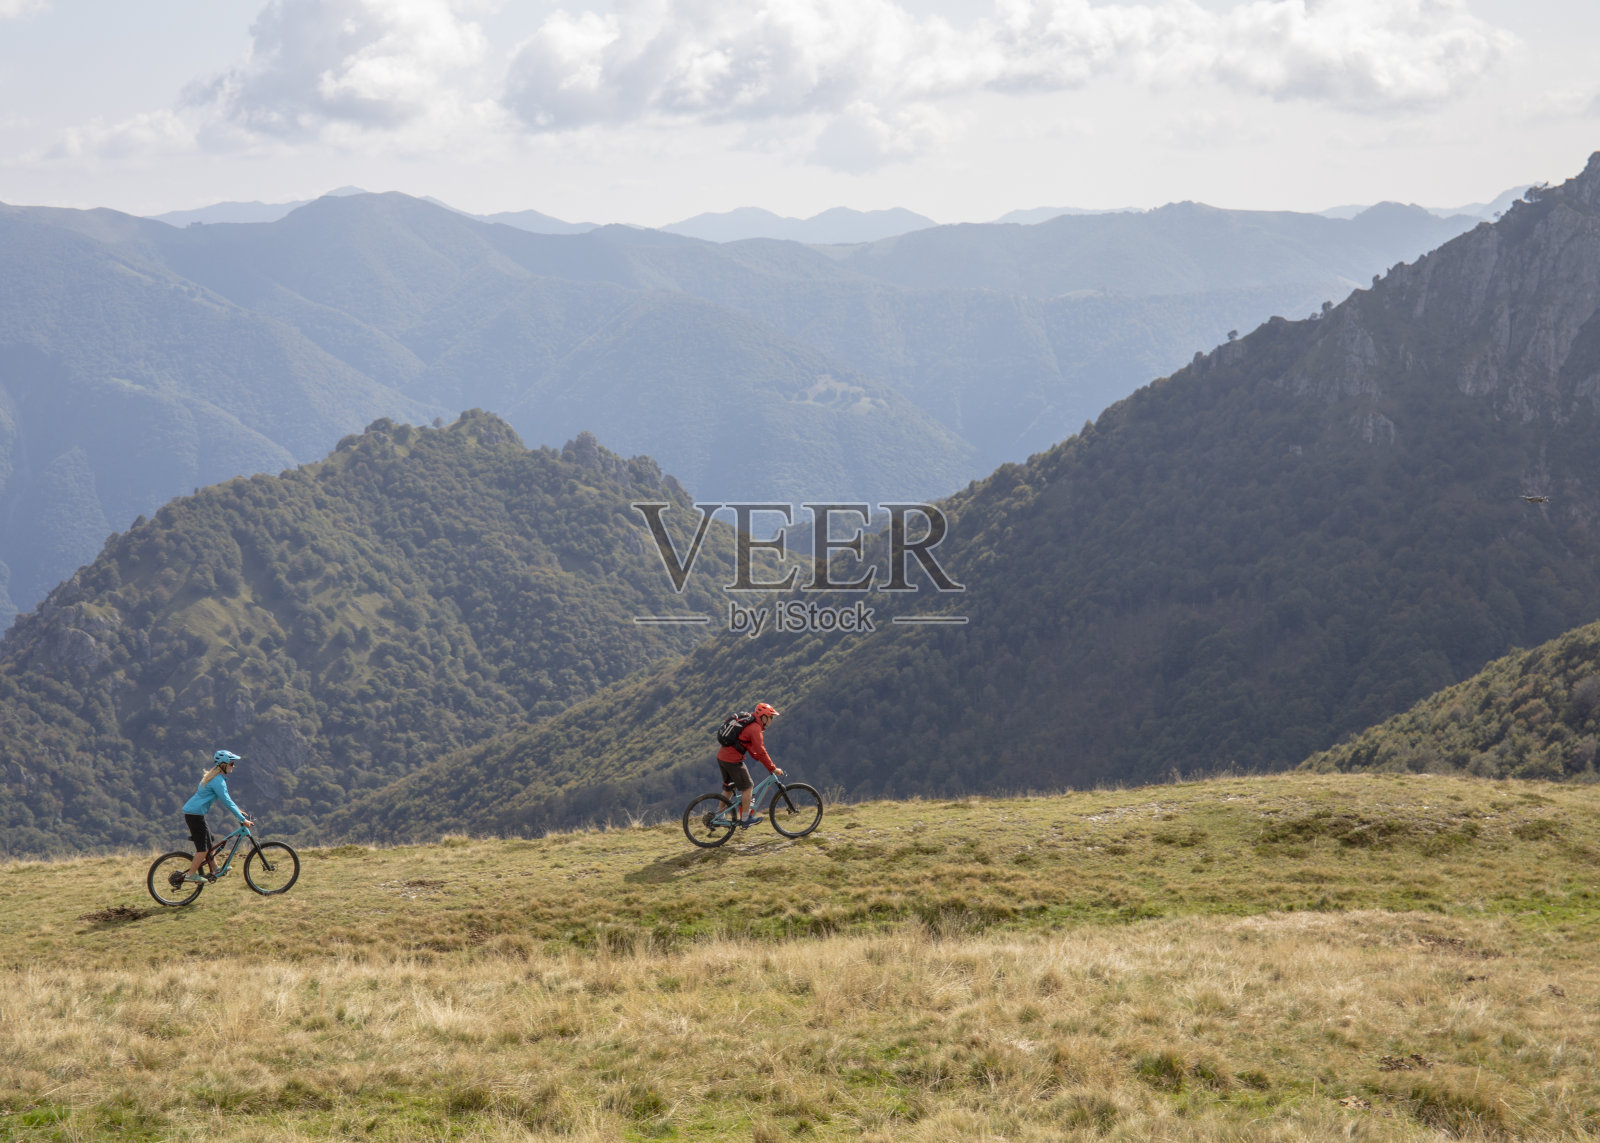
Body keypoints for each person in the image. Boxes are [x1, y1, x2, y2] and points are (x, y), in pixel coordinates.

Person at [181, 750, 253, 883]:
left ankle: (215, 869)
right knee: (202, 849)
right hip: (194, 815)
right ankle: (190, 875)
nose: (234, 766)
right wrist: (242, 819)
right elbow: (226, 801)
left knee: (209, 843)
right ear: (224, 765)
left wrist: (238, 810)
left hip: (195, 814)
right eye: (232, 763)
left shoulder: (215, 778)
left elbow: (227, 799)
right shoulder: (217, 781)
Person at [716, 702, 784, 827]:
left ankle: (718, 816)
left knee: (729, 788)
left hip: (722, 757)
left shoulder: (750, 723)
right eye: (771, 717)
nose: (772, 720)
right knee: (748, 787)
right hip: (732, 760)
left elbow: (750, 746)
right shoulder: (755, 728)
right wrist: (773, 768)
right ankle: (746, 819)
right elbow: (761, 751)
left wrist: (756, 756)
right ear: (764, 717)